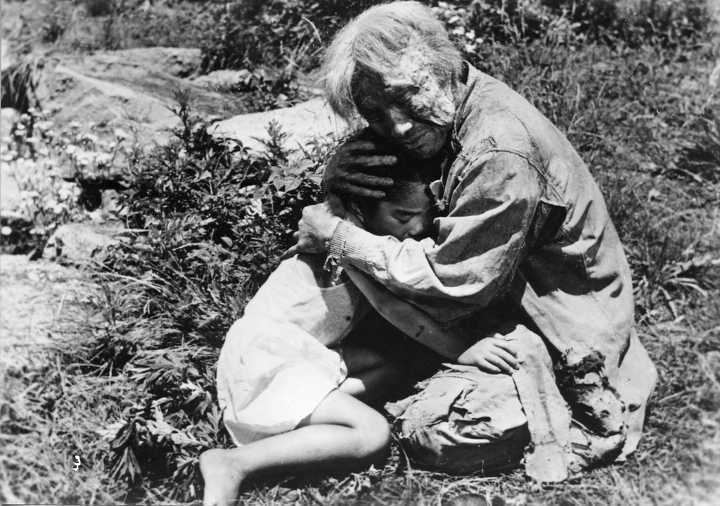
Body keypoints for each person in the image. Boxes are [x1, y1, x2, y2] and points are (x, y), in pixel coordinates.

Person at [289, 1, 658, 481]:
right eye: (374, 113)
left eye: (408, 96)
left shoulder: (499, 149)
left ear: (443, 63)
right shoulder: (446, 107)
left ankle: (586, 404)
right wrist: (339, 175)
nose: (397, 126)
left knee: (432, 431)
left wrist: (337, 235)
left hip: (560, 333)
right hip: (498, 307)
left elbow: (452, 281)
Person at [200, 154, 440, 506]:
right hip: (265, 361)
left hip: (304, 354)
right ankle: (234, 464)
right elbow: (397, 309)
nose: (417, 228)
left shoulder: (363, 241)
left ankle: (300, 418)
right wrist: (465, 351)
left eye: (423, 217)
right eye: (402, 217)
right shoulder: (341, 246)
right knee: (373, 433)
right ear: (358, 210)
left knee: (391, 367)